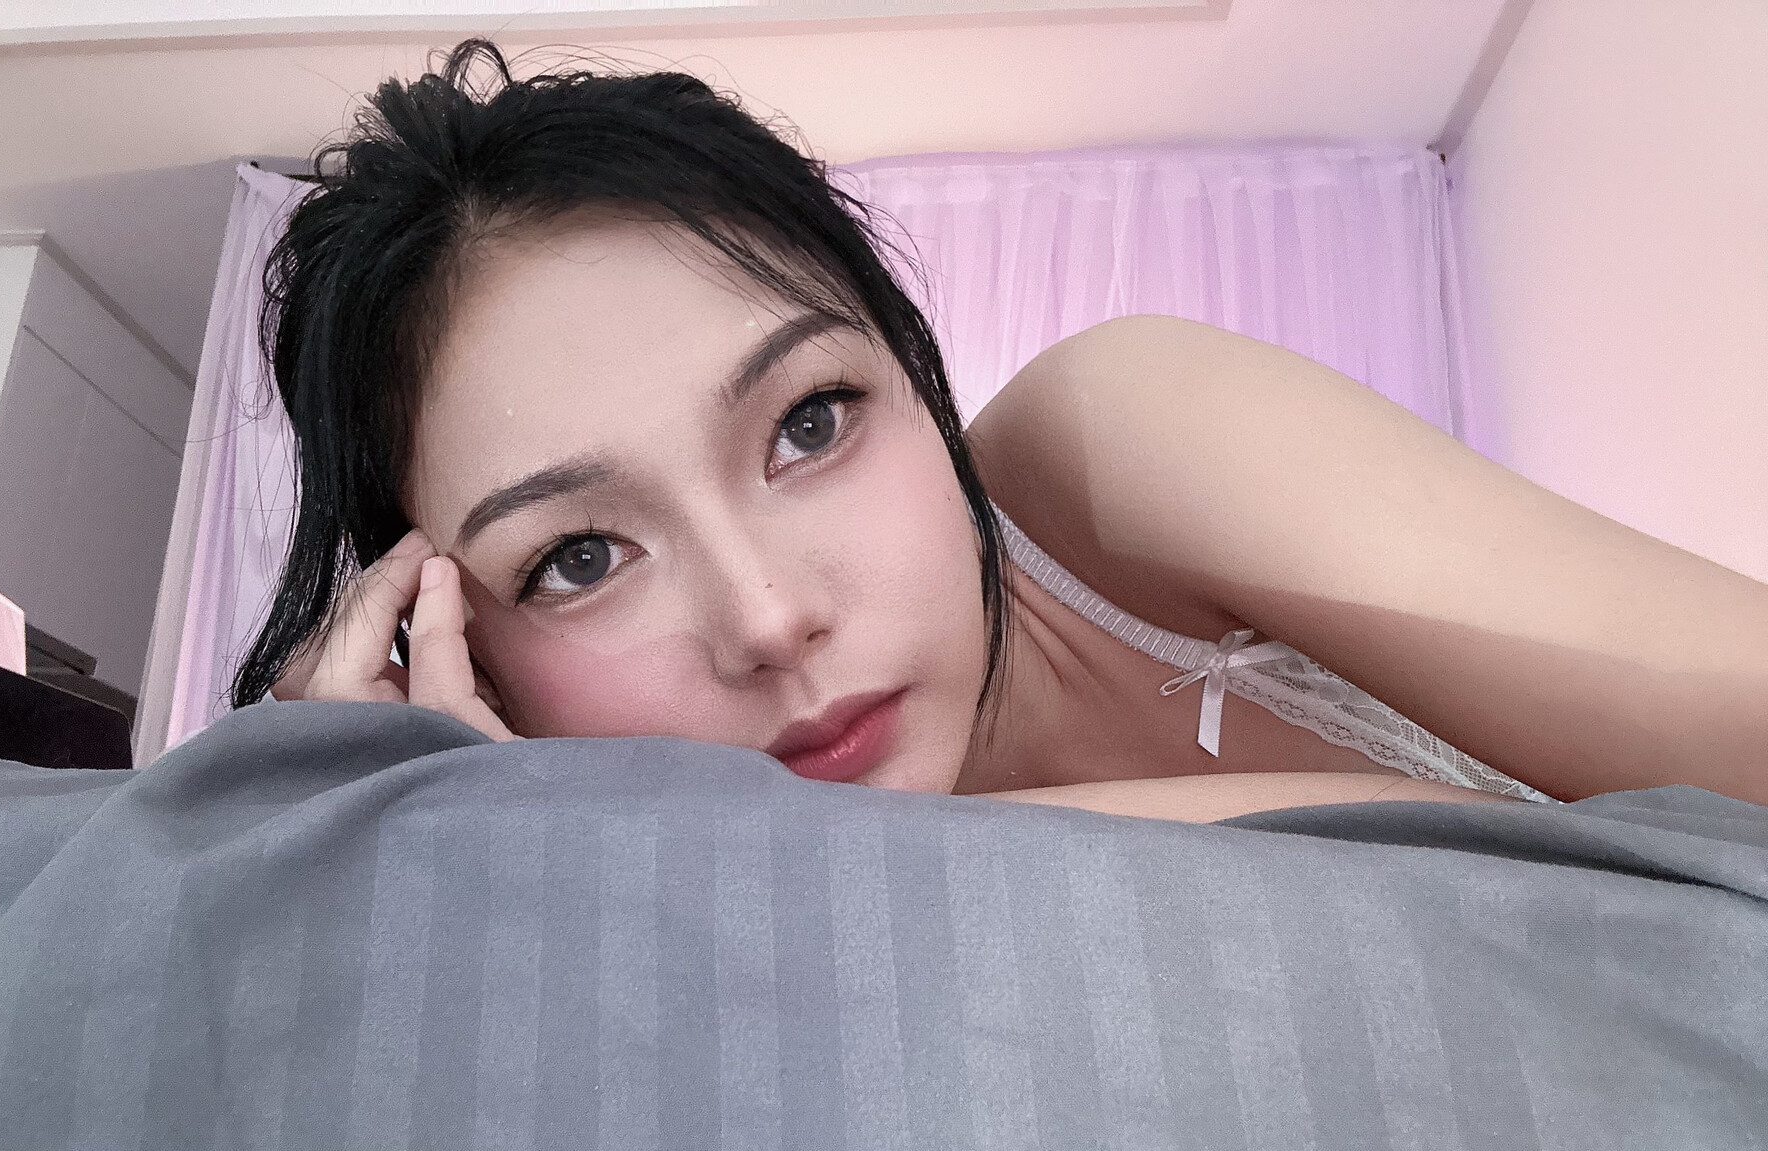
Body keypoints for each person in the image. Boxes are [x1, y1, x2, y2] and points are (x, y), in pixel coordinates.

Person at [252, 39, 1766, 822]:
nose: (770, 619)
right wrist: (449, 847)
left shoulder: (1127, 451)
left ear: (913, 371)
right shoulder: (674, 959)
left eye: (812, 422)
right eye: (580, 557)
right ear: (455, 653)